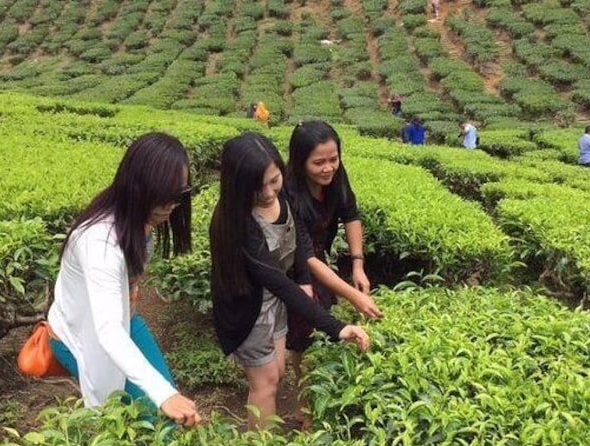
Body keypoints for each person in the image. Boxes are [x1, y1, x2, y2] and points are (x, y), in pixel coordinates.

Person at [209, 132, 370, 430]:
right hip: (248, 308)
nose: (269, 192)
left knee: (278, 371)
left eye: (274, 180)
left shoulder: (283, 197)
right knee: (266, 382)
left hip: (275, 301)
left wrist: (304, 278)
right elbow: (276, 281)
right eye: (258, 187)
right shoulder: (236, 221)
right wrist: (337, 327)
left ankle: (266, 444)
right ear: (237, 185)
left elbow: (299, 247)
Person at [47, 133, 201, 427]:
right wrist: (162, 394)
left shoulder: (137, 218)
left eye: (179, 195)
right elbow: (107, 331)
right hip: (83, 333)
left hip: (125, 322)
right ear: (139, 186)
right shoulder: (99, 241)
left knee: (166, 419)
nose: (172, 205)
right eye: (164, 195)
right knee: (129, 421)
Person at [284, 121, 383, 426]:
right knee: (302, 330)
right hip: (293, 265)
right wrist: (353, 295)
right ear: (300, 161)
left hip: (319, 259)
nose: (328, 168)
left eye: (333, 159)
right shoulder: (288, 192)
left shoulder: (337, 178)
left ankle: (316, 391)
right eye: (318, 162)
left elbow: (351, 215)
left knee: (322, 324)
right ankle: (302, 398)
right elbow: (305, 257)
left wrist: (357, 263)